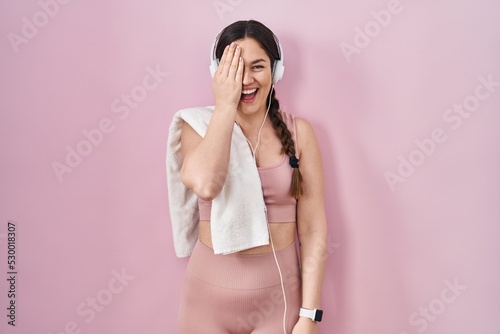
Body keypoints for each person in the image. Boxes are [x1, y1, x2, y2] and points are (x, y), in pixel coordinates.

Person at [167, 19, 328, 334]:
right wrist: (225, 106)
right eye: (234, 69)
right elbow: (206, 184)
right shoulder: (196, 125)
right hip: (205, 302)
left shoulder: (300, 133)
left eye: (258, 66)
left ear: (275, 71)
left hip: (278, 301)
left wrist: (309, 315)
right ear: (218, 74)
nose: (246, 79)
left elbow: (313, 230)